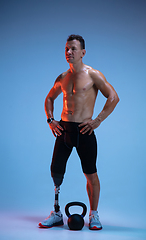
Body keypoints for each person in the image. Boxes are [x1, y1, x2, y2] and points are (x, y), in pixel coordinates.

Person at [39, 34, 119, 230]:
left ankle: (93, 215)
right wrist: (51, 120)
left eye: (73, 49)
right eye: (67, 48)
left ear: (83, 52)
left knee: (90, 174)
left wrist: (97, 120)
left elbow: (113, 97)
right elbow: (49, 98)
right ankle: (57, 213)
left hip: (84, 130)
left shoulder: (93, 75)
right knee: (56, 172)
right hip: (64, 130)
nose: (69, 52)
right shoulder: (62, 78)